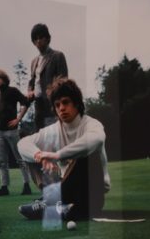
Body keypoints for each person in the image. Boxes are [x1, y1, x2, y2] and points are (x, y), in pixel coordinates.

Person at [18, 77, 110, 224]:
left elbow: (97, 139)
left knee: (86, 153)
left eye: (66, 102)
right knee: (30, 154)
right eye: (57, 105)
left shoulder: (92, 124)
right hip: (65, 191)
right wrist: (40, 156)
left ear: (77, 104)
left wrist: (57, 155)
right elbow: (22, 143)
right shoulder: (53, 131)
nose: (61, 108)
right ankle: (58, 205)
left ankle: (50, 205)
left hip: (92, 195)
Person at [0, 68, 32, 197]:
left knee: (20, 159)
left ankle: (27, 186)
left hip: (12, 131)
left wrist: (18, 119)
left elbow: (26, 102)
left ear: (4, 79)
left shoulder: (12, 91)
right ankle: (4, 187)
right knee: (2, 161)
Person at [26, 24, 68, 132]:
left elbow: (63, 82)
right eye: (35, 39)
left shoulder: (58, 56)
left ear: (48, 38)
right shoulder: (34, 61)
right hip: (38, 106)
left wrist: (55, 99)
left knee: (53, 137)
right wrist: (30, 91)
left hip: (52, 104)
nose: (38, 41)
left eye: (41, 37)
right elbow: (32, 81)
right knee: (40, 139)